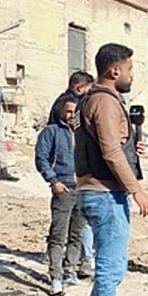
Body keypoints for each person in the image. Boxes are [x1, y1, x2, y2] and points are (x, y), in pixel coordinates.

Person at [74, 42, 148, 296]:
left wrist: (131, 148)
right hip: (105, 194)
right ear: (114, 70)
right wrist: (137, 189)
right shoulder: (105, 101)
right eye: (130, 69)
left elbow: (108, 145)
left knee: (111, 265)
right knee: (110, 266)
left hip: (94, 190)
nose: (132, 75)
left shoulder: (90, 100)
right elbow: (109, 150)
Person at [35, 97, 87, 296]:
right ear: (61, 112)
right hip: (63, 188)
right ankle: (55, 276)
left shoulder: (85, 134)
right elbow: (42, 159)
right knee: (58, 235)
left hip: (83, 189)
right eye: (68, 111)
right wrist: (53, 181)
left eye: (75, 112)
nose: (72, 116)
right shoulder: (51, 132)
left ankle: (70, 271)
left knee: (77, 234)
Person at [52, 71, 98, 277]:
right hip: (69, 176)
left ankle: (72, 259)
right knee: (75, 224)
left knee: (74, 225)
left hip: (71, 175)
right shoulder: (72, 106)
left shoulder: (61, 103)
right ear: (80, 88)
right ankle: (82, 260)